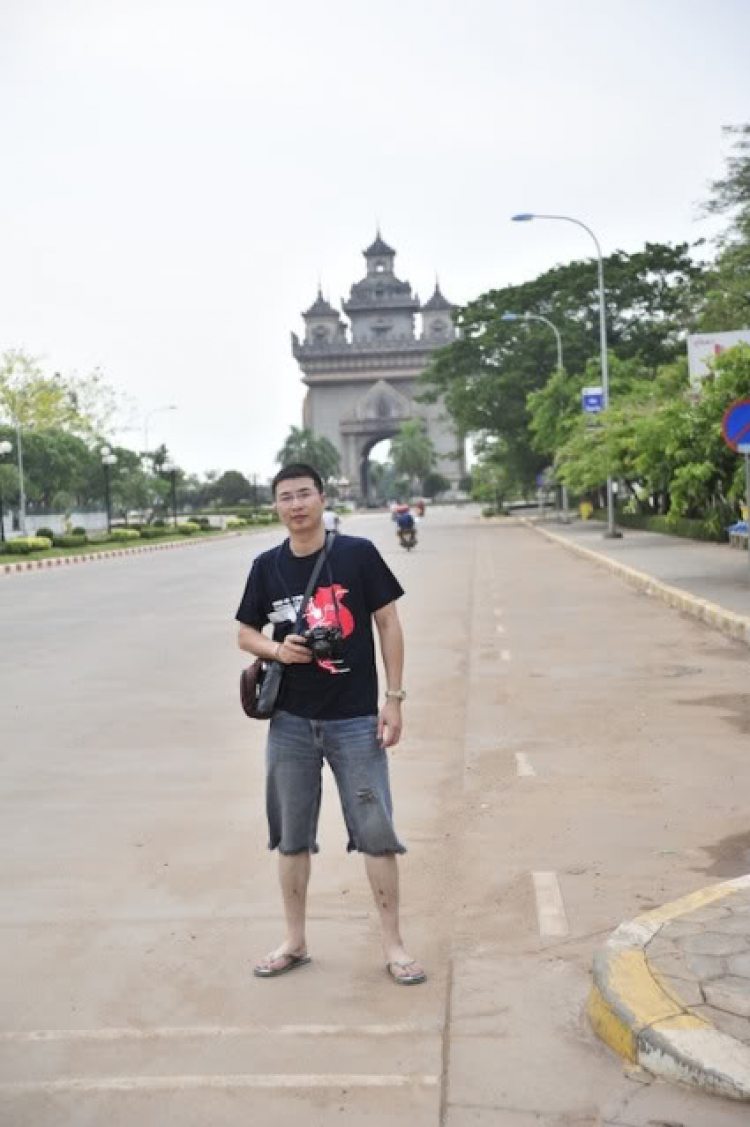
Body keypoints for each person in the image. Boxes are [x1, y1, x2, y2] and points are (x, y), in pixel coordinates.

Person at [236, 463, 425, 986]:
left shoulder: (356, 555)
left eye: (303, 494)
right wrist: (278, 648)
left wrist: (394, 698)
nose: (295, 505)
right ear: (276, 506)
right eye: (285, 497)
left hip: (354, 720)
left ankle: (394, 943)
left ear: (321, 498)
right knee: (291, 838)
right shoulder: (266, 566)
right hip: (290, 724)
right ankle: (294, 941)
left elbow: (388, 622)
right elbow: (243, 633)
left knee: (376, 834)